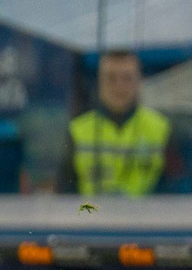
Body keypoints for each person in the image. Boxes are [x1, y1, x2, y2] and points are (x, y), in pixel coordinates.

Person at [64, 50, 173, 197]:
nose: (119, 86)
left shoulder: (160, 128)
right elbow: (64, 193)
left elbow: (174, 190)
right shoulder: (78, 130)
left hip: (146, 218)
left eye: (127, 78)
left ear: (139, 81)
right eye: (111, 78)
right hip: (91, 218)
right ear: (99, 83)